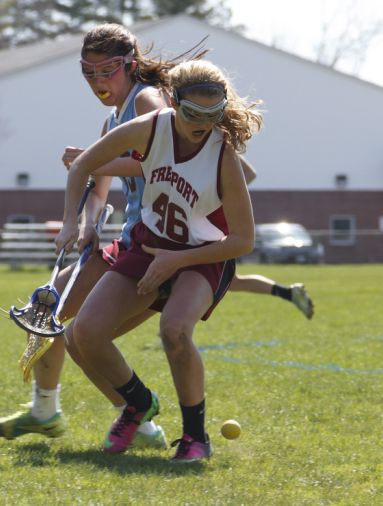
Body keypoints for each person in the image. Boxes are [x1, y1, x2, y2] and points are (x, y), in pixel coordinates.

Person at [0, 23, 311, 447]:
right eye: (89, 72)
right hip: (138, 240)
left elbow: (167, 157)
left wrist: (97, 161)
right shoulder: (112, 120)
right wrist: (86, 224)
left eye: (107, 70)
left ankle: (129, 420)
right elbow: (99, 187)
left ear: (129, 65)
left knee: (69, 321)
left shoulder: (148, 101)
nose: (99, 81)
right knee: (58, 318)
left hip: (171, 240)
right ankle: (109, 415)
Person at [55, 59, 262, 462]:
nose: (203, 124)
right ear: (174, 103)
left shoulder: (222, 154)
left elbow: (242, 240)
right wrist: (71, 223)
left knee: (175, 331)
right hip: (150, 245)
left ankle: (195, 437)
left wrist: (176, 260)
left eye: (213, 114)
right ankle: (138, 403)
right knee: (84, 334)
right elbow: (82, 165)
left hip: (204, 255)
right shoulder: (149, 128)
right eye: (193, 113)